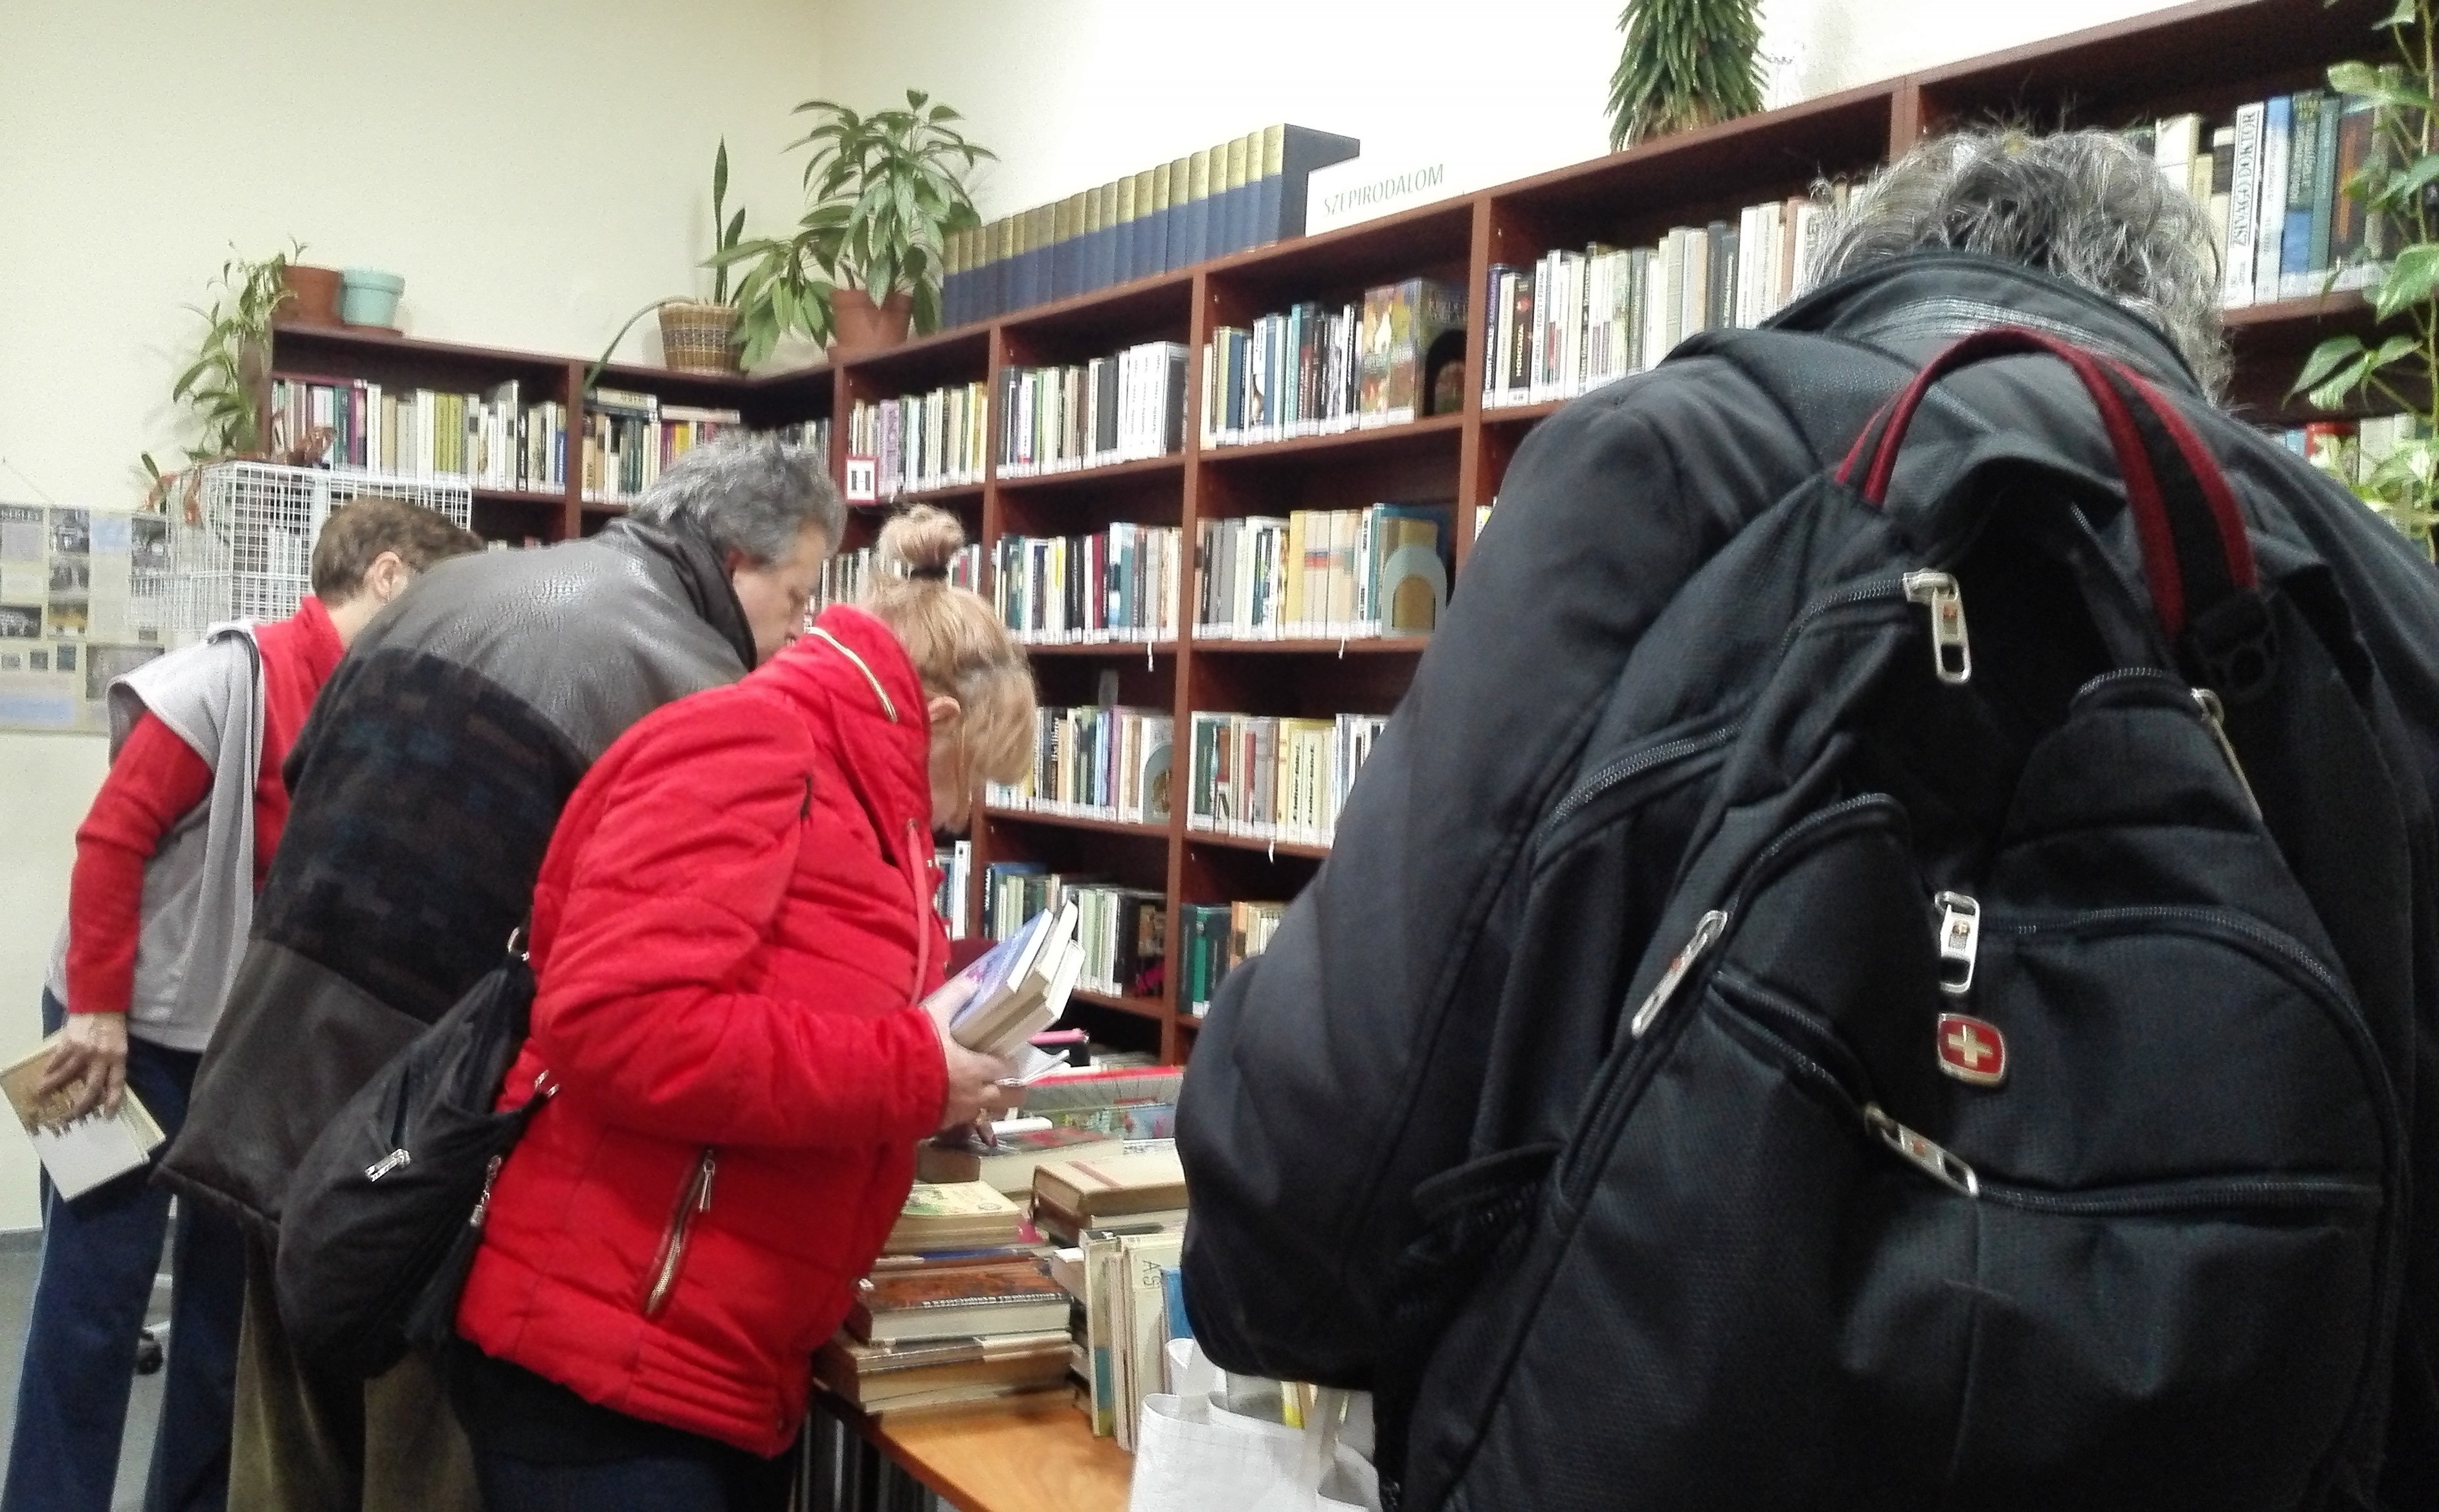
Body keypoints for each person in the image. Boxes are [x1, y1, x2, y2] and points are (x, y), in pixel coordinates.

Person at [1175, 128, 2439, 1505]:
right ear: (2186, 344)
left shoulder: (1668, 471)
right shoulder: (2390, 610)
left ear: (1855, 276)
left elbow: (1297, 1209)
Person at [155, 434, 840, 1512]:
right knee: (421, 1460)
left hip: (277, 1077)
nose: (798, 632)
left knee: (287, 1456)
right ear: (737, 559)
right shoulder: (697, 691)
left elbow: (304, 768)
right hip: (435, 1139)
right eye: (796, 597)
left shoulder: (449, 588)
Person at [441, 504, 1034, 1510]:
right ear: (933, 722)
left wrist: (939, 1084)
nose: (958, 815)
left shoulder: (863, 806)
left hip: (721, 1358)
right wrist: (911, 1074)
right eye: (968, 781)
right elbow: (616, 1026)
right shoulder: (752, 746)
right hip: (611, 1360)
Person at [6, 498, 483, 1512]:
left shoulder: (373, 702)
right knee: (92, 1304)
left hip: (241, 1048)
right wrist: (98, 1011)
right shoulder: (227, 679)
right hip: (116, 1034)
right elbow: (110, 842)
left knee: (226, 1318)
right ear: (388, 576)